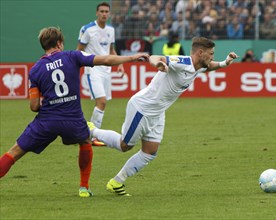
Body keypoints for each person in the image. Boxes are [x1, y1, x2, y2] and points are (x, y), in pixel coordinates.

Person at [0, 27, 149, 198]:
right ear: (59, 43)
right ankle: (84, 188)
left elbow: (34, 106)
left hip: (47, 121)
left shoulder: (35, 70)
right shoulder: (72, 56)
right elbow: (106, 59)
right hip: (73, 120)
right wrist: (131, 57)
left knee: (15, 152)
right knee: (85, 141)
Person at [88, 37, 239, 196]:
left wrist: (224, 63)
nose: (213, 57)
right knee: (125, 145)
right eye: (211, 53)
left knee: (150, 152)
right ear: (200, 53)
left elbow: (209, 67)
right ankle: (92, 130)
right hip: (142, 108)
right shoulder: (182, 61)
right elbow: (156, 57)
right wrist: (157, 63)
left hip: (158, 113)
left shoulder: (200, 65)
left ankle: (116, 182)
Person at [77, 2, 124, 146]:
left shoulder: (111, 30)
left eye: (106, 11)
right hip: (93, 70)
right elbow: (78, 50)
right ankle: (92, 136)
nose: (104, 14)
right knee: (101, 101)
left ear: (109, 14)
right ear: (97, 13)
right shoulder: (87, 29)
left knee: (103, 104)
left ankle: (90, 134)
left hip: (106, 70)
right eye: (102, 11)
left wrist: (120, 63)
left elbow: (111, 50)